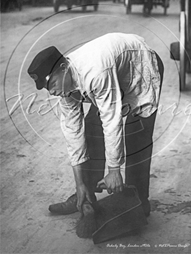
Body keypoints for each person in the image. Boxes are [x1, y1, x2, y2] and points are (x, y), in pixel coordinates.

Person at [27, 32, 164, 217]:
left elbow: (112, 120)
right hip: (114, 73)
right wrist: (80, 184)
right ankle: (86, 194)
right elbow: (73, 134)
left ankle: (138, 202)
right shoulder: (63, 86)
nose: (51, 92)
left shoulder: (96, 71)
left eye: (51, 83)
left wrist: (114, 170)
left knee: (136, 136)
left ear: (63, 67)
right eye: (46, 88)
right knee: (91, 127)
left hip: (141, 67)